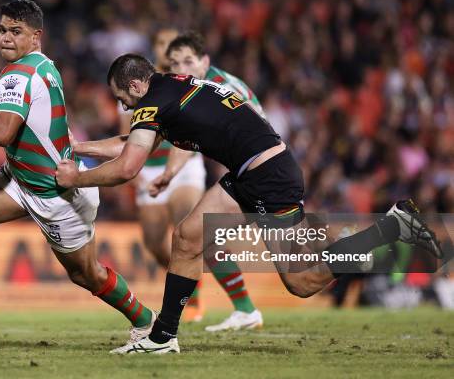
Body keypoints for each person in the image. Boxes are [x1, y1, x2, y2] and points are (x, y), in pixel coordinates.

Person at [55, 54, 442, 354]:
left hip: (268, 178)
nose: (124, 107)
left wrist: (78, 177)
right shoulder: (168, 90)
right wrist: (78, 147)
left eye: (124, 99)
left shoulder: (155, 102)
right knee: (188, 238)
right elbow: (132, 143)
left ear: (137, 84)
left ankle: (393, 227)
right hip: (252, 171)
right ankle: (163, 336)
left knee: (302, 281)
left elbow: (127, 167)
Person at [0, 0, 155, 343]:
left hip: (56, 193)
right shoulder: (41, 65)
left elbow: (2, 133)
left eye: (16, 31)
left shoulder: (19, 75)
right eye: (2, 30)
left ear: (35, 37)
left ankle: (146, 321)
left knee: (87, 276)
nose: (6, 38)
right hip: (19, 177)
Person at [158, 31, 265, 330]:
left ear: (204, 62)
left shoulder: (217, 89)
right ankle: (244, 309)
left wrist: (169, 174)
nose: (181, 69)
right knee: (201, 236)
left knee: (302, 276)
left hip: (262, 172)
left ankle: (375, 238)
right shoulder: (206, 85)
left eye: (188, 61)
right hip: (250, 170)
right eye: (174, 63)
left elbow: (249, 131)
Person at [115, 28, 208, 323]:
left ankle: (192, 297)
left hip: (183, 161)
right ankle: (187, 285)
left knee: (186, 226)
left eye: (170, 42)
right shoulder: (140, 84)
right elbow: (126, 129)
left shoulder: (182, 81)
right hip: (148, 164)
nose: (166, 47)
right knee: (155, 241)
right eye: (160, 42)